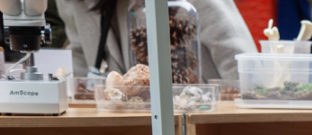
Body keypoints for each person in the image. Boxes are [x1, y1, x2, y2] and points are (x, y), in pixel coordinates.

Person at [57, 0, 255, 80]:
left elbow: (236, 54)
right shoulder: (72, 2)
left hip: (203, 121)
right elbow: (80, 54)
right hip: (135, 127)